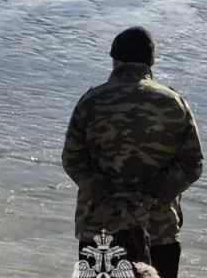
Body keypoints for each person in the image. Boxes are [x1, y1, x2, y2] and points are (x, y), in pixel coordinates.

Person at [62, 27, 203, 278]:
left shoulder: (91, 101)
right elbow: (192, 163)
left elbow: (73, 159)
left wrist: (111, 199)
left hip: (101, 226)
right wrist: (147, 198)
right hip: (158, 228)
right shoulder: (173, 103)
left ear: (115, 60)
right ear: (150, 62)